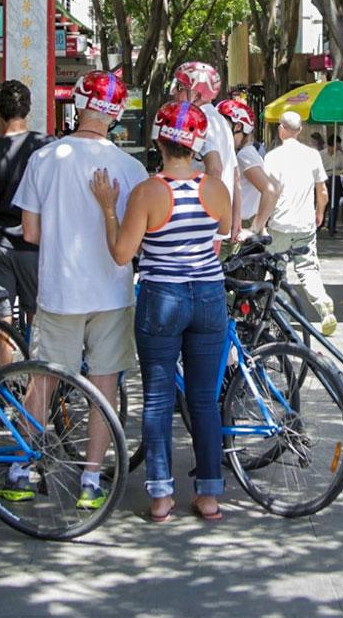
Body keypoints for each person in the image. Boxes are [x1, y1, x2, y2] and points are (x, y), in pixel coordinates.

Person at [92, 100, 229, 523]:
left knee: (157, 398)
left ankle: (161, 496)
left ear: (159, 141)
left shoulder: (149, 192)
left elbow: (121, 255)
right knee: (205, 400)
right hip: (209, 296)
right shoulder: (216, 189)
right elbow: (221, 233)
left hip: (161, 298)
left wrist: (108, 209)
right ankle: (209, 496)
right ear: (196, 144)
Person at [14, 71, 145, 510]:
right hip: (112, 292)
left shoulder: (47, 157)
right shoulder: (132, 167)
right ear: (116, 115)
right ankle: (91, 482)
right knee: (104, 387)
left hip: (59, 291)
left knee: (43, 381)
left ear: (78, 106)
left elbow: (29, 232)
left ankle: (22, 468)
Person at [0, 80, 50, 356]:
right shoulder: (48, 147)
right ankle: (38, 393)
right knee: (39, 321)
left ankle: (4, 396)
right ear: (28, 110)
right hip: (38, 246)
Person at [262, 112, 338, 336]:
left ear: (281, 128)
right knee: (308, 269)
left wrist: (262, 220)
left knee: (277, 272)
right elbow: (322, 191)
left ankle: (282, 317)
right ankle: (323, 303)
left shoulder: (272, 157)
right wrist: (319, 212)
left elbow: (269, 193)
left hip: (280, 223)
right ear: (300, 129)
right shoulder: (312, 156)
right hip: (305, 222)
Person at [172, 61, 240, 243]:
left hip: (200, 229)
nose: (173, 92)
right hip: (215, 226)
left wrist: (204, 217)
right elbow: (235, 174)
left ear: (196, 92)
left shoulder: (200, 120)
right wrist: (235, 219)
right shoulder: (221, 121)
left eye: (179, 87)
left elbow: (215, 169)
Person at [218, 98, 277, 241]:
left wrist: (254, 228)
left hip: (238, 227)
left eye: (224, 127)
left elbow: (270, 191)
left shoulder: (244, 155)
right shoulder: (243, 153)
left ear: (239, 127)